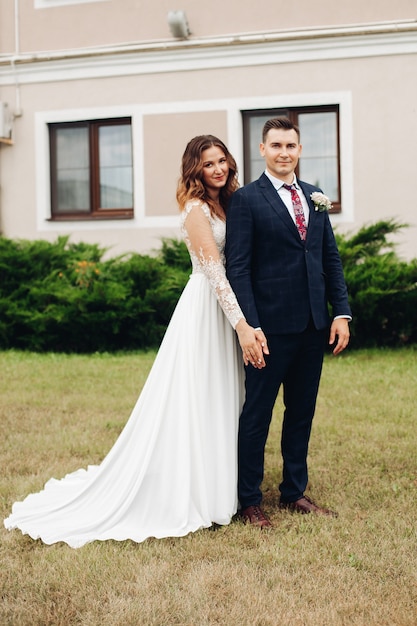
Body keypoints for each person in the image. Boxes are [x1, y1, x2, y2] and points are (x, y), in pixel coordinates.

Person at [4, 135, 268, 548]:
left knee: (223, 397)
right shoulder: (196, 210)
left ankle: (226, 487)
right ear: (194, 170)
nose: (218, 169)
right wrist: (240, 325)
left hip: (231, 309)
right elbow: (215, 273)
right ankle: (194, 490)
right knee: (198, 397)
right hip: (208, 309)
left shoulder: (231, 202)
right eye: (208, 163)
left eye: (222, 161)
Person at [225, 117, 351, 528]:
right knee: (257, 415)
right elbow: (239, 268)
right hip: (269, 330)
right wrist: (250, 325)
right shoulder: (246, 200)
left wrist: (341, 312)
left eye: (291, 146)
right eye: (276, 145)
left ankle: (294, 491)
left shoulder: (314, 196)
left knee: (301, 413)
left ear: (299, 150)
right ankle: (249, 501)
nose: (284, 153)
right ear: (262, 149)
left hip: (314, 326)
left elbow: (329, 258)